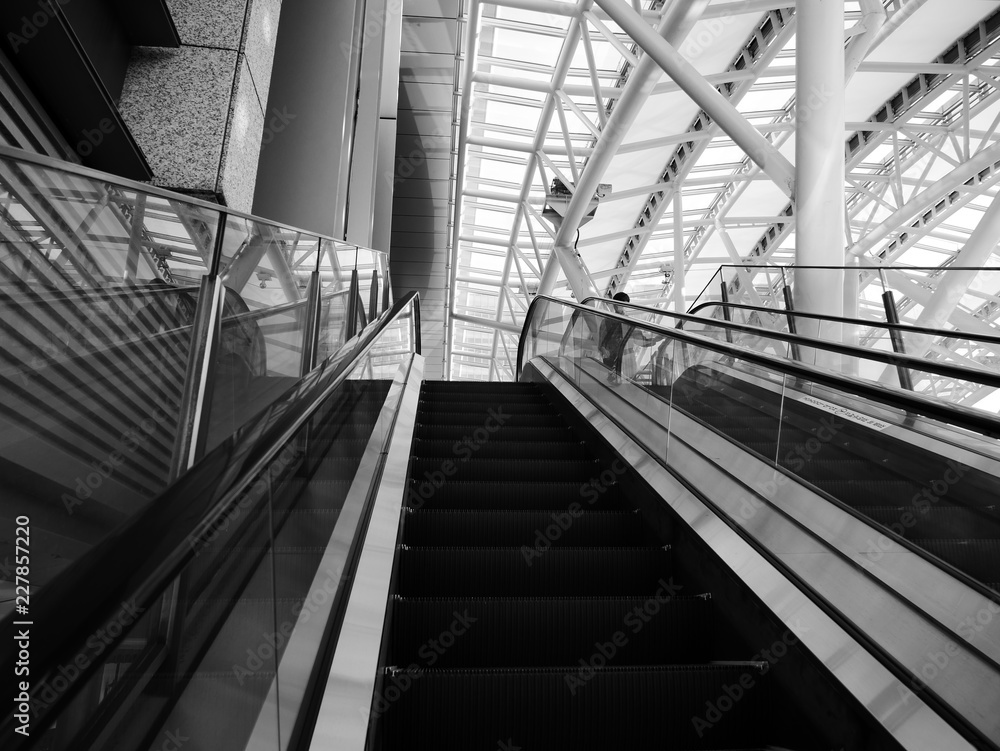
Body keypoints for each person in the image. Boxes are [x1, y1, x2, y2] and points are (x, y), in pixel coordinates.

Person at [598, 292, 656, 382]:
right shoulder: (621, 321)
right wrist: (605, 352)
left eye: (623, 304)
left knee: (622, 382)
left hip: (622, 358)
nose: (620, 307)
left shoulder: (624, 321)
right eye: (619, 304)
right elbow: (601, 343)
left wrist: (652, 341)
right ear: (614, 304)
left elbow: (638, 339)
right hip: (618, 358)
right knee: (622, 382)